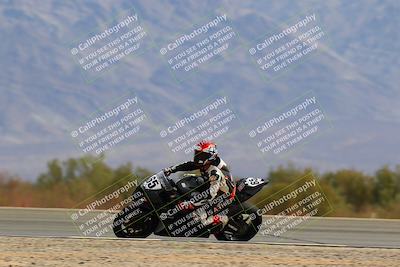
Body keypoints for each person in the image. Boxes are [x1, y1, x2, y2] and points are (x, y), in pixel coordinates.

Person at [163, 140, 236, 228]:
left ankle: (222, 218)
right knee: (186, 180)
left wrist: (192, 203)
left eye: (201, 155)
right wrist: (171, 169)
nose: (198, 157)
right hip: (212, 185)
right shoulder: (206, 162)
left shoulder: (214, 171)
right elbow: (188, 165)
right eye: (197, 153)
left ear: (210, 156)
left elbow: (211, 194)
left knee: (199, 221)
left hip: (222, 196)